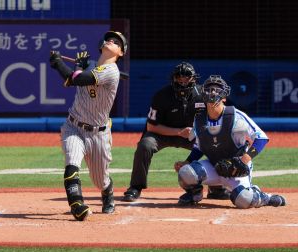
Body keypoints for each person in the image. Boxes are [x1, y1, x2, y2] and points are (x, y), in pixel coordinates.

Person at [122, 62, 229, 202]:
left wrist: (199, 132)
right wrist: (179, 132)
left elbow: (213, 119)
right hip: (164, 134)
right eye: (179, 77)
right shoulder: (161, 96)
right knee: (145, 144)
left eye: (187, 78)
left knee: (215, 145)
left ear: (194, 78)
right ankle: (135, 187)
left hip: (193, 135)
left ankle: (216, 188)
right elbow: (151, 127)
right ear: (173, 78)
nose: (183, 81)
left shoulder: (203, 95)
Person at [174, 75, 286, 208]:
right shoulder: (199, 119)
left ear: (224, 96)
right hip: (213, 167)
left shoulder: (235, 116)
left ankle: (263, 197)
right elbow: (199, 147)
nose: (212, 92)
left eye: (216, 89)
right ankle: (195, 193)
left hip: (236, 169)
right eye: (209, 89)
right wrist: (187, 161)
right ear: (203, 93)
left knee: (244, 200)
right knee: (186, 172)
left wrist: (244, 160)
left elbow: (261, 137)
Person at [49, 31, 127, 221]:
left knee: (99, 180)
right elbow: (72, 79)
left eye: (117, 42)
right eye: (109, 39)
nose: (111, 41)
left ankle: (107, 190)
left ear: (121, 53)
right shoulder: (92, 67)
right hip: (73, 126)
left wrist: (58, 62)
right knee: (72, 163)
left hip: (97, 133)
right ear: (101, 45)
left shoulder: (111, 71)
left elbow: (76, 79)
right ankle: (77, 204)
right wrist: (79, 65)